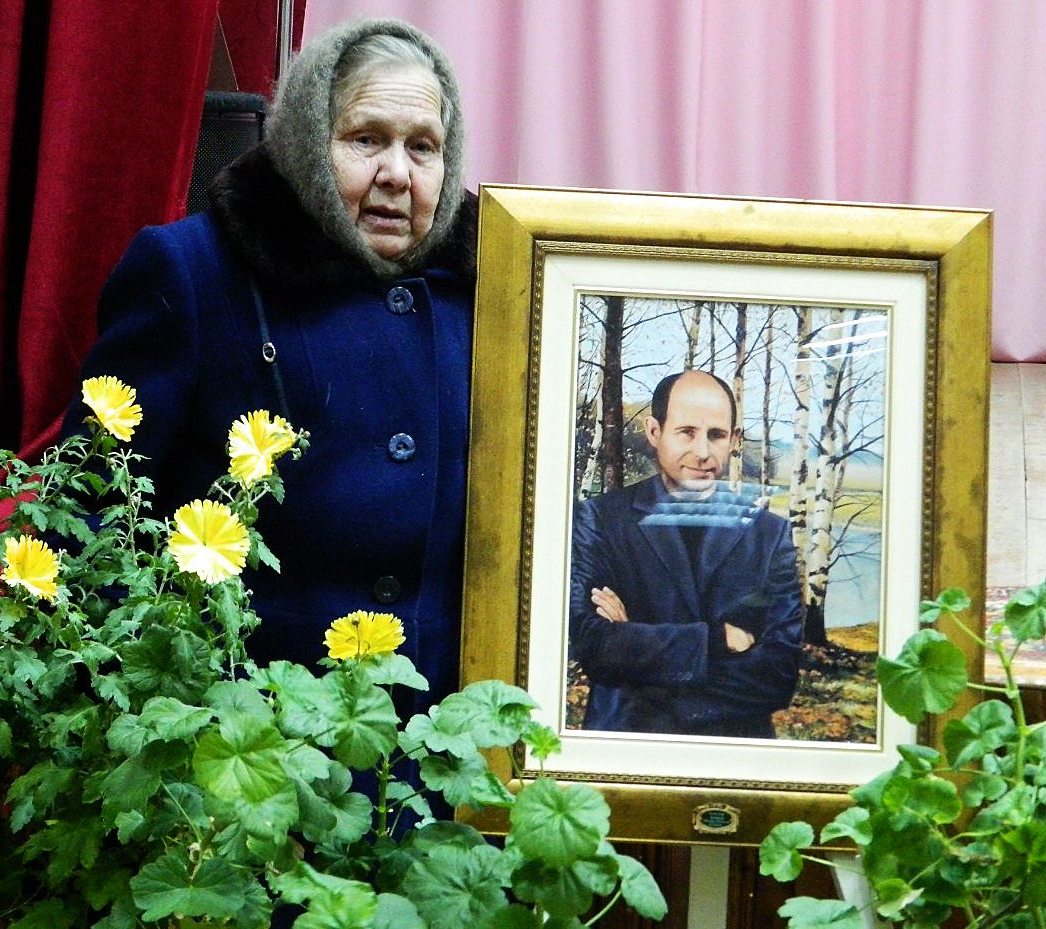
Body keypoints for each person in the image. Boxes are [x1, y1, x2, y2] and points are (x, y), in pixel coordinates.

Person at [63, 18, 475, 715]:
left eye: (423, 147)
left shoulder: (495, 285)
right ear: (308, 140)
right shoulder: (194, 272)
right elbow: (91, 514)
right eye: (365, 139)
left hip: (436, 737)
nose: (396, 174)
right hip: (247, 733)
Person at [569, 369, 804, 738]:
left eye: (717, 435)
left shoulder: (769, 534)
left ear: (734, 440)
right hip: (626, 748)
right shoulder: (601, 519)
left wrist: (636, 651)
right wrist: (715, 640)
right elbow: (594, 647)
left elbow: (778, 677)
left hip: (733, 752)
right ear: (654, 432)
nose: (703, 453)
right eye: (687, 432)